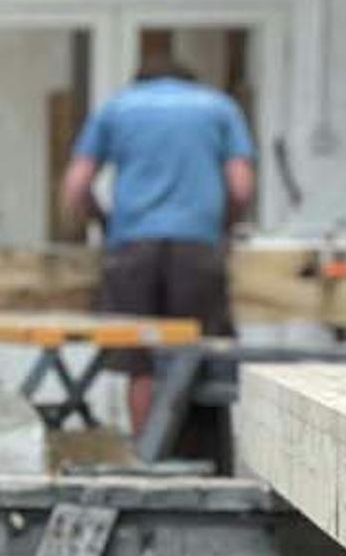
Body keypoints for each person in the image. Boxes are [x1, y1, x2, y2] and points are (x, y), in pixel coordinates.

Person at [60, 50, 257, 433]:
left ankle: (148, 454)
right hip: (198, 248)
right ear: (189, 81)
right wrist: (222, 224)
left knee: (142, 362)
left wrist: (104, 222)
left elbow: (76, 187)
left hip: (133, 248)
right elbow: (241, 187)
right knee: (199, 356)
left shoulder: (117, 109)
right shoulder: (219, 109)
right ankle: (201, 456)